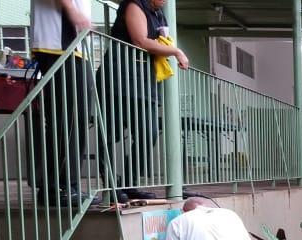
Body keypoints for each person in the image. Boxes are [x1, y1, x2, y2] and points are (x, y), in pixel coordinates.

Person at [99, 0, 188, 201]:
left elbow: (161, 42)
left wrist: (169, 48)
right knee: (110, 134)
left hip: (144, 84)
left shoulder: (159, 14)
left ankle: (129, 182)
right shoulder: (134, 5)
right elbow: (140, 41)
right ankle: (111, 186)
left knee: (149, 133)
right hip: (118, 79)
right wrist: (176, 51)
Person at [29, 0, 92, 207]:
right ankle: (60, 187)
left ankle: (60, 186)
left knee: (72, 120)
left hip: (71, 47)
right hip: (59, 45)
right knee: (68, 119)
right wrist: (73, 11)